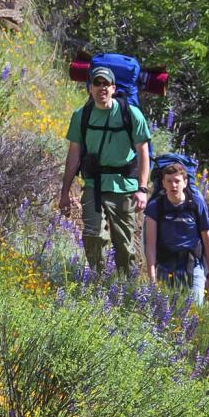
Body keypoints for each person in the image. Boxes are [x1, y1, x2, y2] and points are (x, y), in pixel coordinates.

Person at [58, 67, 151, 276]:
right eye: (97, 83)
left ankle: (126, 290)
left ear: (113, 88)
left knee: (124, 245)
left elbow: (143, 153)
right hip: (94, 185)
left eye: (106, 84)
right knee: (93, 235)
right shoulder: (81, 116)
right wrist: (64, 192)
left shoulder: (131, 114)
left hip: (124, 187)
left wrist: (142, 188)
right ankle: (98, 282)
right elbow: (73, 155)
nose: (102, 88)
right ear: (90, 88)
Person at [144, 163, 209, 303]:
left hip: (193, 265)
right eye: (169, 181)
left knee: (195, 312)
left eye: (177, 181)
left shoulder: (196, 204)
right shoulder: (155, 206)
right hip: (165, 266)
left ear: (185, 182)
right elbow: (150, 245)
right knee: (164, 312)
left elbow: (208, 242)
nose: (173, 185)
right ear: (163, 183)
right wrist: (152, 278)